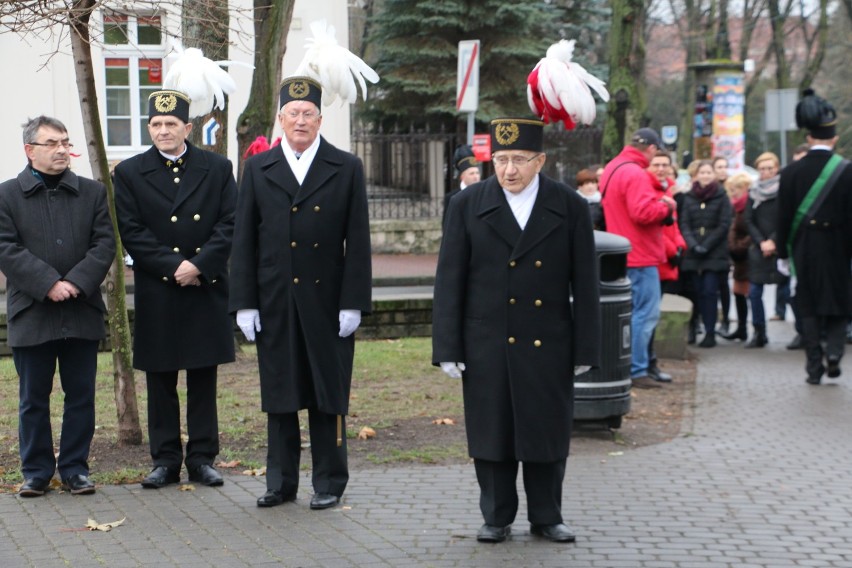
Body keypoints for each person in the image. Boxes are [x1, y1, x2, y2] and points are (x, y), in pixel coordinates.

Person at [433, 117, 601, 544]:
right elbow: (449, 280)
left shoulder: (569, 206)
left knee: (545, 430)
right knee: (492, 430)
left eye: (520, 160)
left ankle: (547, 515)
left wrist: (586, 347)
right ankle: (496, 515)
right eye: (502, 159)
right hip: (487, 339)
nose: (509, 170)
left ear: (540, 160)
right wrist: (448, 345)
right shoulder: (467, 205)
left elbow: (585, 284)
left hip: (548, 340)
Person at [229, 76, 372, 510]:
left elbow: (358, 240)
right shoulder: (258, 167)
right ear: (280, 119)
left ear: (320, 119)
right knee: (280, 393)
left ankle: (329, 482)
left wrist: (354, 302)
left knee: (327, 394)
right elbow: (244, 241)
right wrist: (244, 302)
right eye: (293, 114)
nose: (301, 121)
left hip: (328, 301)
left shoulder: (345, 166)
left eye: (308, 114)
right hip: (275, 300)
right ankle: (280, 482)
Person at [114, 88, 237, 489]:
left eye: (171, 124)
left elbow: (229, 224)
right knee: (160, 377)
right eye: (156, 124)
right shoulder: (130, 173)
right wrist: (174, 267)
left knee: (203, 376)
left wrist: (199, 265)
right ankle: (165, 459)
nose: (163, 131)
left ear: (188, 126)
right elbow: (132, 231)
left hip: (204, 285)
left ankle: (202, 457)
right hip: (161, 288)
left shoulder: (217, 168)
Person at [0, 116, 115, 497]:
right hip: (31, 312)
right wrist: (47, 283)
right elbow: (6, 248)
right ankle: (35, 472)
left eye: (65, 142)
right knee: (33, 398)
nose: (62, 149)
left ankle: (74, 469)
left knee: (80, 395)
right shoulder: (6, 195)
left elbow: (104, 245)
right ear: (30, 150)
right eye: (52, 143)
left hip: (81, 310)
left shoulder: (92, 192)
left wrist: (75, 284)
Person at [776, 89, 852, 385]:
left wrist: (783, 252)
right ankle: (833, 353)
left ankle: (813, 367)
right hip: (837, 247)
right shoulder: (847, 171)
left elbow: (783, 216)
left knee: (806, 305)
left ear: (808, 138)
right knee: (837, 303)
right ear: (834, 139)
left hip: (803, 247)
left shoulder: (791, 172)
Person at [601, 128, 675, 388]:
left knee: (628, 314)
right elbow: (642, 213)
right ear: (652, 149)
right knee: (645, 315)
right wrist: (666, 205)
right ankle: (638, 369)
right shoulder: (635, 172)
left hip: (621, 252)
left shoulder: (613, 167)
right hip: (641, 255)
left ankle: (632, 365)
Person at [678, 160, 732, 348]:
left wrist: (707, 245)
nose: (706, 176)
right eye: (703, 172)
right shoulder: (689, 197)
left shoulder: (722, 196)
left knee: (710, 291)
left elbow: (724, 224)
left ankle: (710, 331)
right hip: (693, 252)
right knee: (695, 292)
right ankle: (694, 326)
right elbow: (684, 223)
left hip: (714, 252)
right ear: (697, 175)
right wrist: (693, 244)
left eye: (709, 172)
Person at [646, 150, 686, 382]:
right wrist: (673, 249)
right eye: (656, 164)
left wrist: (680, 245)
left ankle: (651, 361)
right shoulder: (654, 191)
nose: (660, 168)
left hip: (668, 256)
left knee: (654, 314)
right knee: (648, 316)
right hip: (658, 258)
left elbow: (674, 227)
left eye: (664, 165)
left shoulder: (668, 190)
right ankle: (648, 362)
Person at [743, 152, 787, 348]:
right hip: (759, 249)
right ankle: (759, 331)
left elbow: (787, 217)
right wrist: (762, 242)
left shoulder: (785, 191)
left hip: (780, 246)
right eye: (762, 168)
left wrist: (774, 241)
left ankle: (804, 332)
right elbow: (748, 220)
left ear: (777, 168)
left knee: (788, 290)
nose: (766, 172)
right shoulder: (753, 192)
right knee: (754, 292)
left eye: (770, 168)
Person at [719, 172, 753, 342]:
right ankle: (741, 328)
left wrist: (738, 246)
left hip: (748, 255)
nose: (732, 193)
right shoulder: (736, 207)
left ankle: (756, 330)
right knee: (739, 293)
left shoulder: (749, 206)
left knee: (750, 293)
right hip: (739, 257)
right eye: (730, 190)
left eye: (735, 189)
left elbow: (752, 229)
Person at [712, 156, 732, 334]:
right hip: (715, 245)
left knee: (725, 285)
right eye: (719, 167)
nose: (722, 170)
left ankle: (726, 319)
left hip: (730, 244)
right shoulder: (710, 191)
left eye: (725, 166)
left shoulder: (732, 189)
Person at [443, 145, 481, 227]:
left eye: (477, 173)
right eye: (471, 173)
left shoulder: (485, 195)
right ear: (462, 177)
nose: (476, 177)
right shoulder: (451, 198)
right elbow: (446, 227)